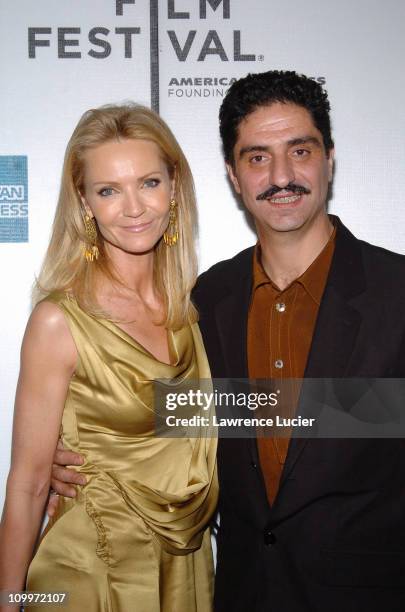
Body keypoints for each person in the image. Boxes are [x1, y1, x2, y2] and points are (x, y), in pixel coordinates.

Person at [50, 71, 405, 611]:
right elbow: (183, 416)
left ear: (329, 158)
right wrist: (92, 452)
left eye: (300, 150)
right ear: (234, 176)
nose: (281, 175)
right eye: (257, 157)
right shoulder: (201, 300)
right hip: (238, 592)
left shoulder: (396, 291)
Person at [0, 104, 218, 612]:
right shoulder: (59, 320)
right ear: (84, 202)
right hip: (90, 573)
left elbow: (224, 418)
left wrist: (371, 412)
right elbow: (29, 483)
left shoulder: (197, 308)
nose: (134, 207)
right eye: (108, 190)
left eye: (148, 182)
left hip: (185, 565)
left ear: (174, 188)